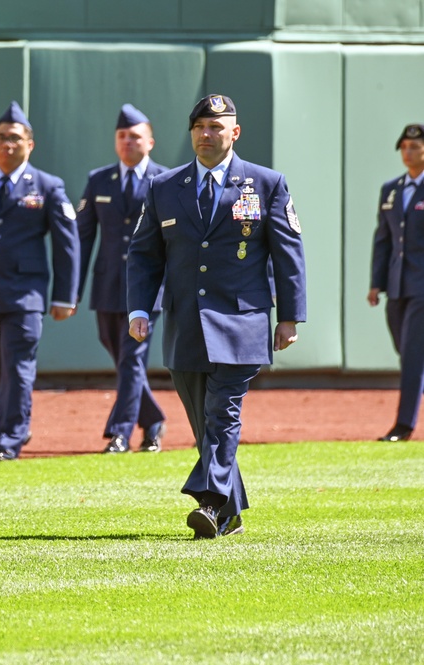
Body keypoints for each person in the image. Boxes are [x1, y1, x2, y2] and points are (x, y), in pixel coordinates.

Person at [126, 94, 306, 539]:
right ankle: (230, 514)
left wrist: (290, 316)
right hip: (185, 322)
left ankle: (208, 502)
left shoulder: (266, 183)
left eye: (216, 127)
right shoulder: (165, 187)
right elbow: (144, 255)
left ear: (235, 132)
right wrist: (138, 307)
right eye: (199, 128)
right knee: (204, 422)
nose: (206, 135)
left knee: (222, 414)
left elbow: (288, 254)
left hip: (242, 321)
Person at [0, 102, 79, 461]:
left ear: (30, 144)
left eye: (15, 138)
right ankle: (15, 420)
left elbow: (67, 244)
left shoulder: (47, 186)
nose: (8, 145)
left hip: (25, 296)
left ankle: (8, 440)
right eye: (1, 138)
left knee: (18, 367)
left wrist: (65, 296)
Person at [76, 104, 168, 454]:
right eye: (122, 136)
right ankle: (153, 420)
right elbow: (83, 237)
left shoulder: (165, 179)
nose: (128, 142)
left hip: (146, 288)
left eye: (135, 136)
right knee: (120, 355)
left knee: (132, 358)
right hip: (108, 283)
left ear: (150, 142)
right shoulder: (99, 179)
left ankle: (120, 432)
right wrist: (72, 291)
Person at [369, 123, 424, 442]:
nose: (408, 152)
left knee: (414, 355)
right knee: (405, 351)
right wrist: (376, 283)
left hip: (421, 287)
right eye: (404, 146)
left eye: (415, 147)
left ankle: (403, 426)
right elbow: (383, 240)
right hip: (397, 284)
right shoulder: (391, 189)